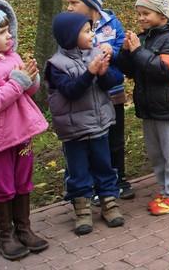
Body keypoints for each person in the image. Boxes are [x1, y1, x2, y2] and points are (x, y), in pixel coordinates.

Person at [0, 0, 48, 260]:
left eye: (8, 30)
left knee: (23, 181)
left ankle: (24, 229)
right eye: (1, 32)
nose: (9, 36)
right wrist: (18, 81)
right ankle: (5, 235)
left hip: (21, 133)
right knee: (1, 185)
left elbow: (28, 91)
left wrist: (31, 77)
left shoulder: (12, 57)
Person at [45, 13, 125, 235]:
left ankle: (109, 204)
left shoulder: (96, 54)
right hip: (74, 130)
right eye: (87, 31)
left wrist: (103, 73)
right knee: (78, 171)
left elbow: (114, 81)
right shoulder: (56, 65)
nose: (92, 35)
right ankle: (82, 210)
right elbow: (71, 91)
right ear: (71, 36)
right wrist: (90, 74)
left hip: (99, 125)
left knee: (104, 165)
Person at [116, 0, 169, 215]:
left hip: (168, 106)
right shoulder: (145, 38)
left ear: (162, 14)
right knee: (156, 154)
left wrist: (138, 51)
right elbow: (130, 70)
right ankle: (166, 189)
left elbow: (165, 69)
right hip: (148, 107)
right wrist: (127, 53)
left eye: (146, 13)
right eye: (139, 14)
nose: (141, 18)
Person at [64, 0, 133, 200]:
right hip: (89, 97)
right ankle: (92, 185)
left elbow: (122, 50)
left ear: (91, 3)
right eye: (68, 3)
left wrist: (112, 50)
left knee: (115, 138)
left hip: (113, 93)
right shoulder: (70, 28)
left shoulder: (112, 23)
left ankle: (118, 178)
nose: (69, 7)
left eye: (74, 2)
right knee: (93, 141)